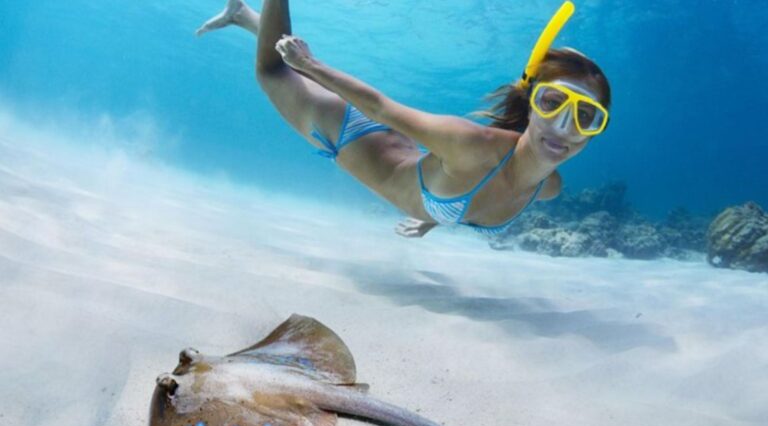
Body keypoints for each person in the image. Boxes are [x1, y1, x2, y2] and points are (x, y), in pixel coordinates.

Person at [197, 0, 611, 238]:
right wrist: (309, 64)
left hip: (398, 148)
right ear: (533, 102)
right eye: (553, 102)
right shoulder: (472, 144)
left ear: (596, 133)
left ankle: (242, 16)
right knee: (273, 72)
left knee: (283, 67)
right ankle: (254, 14)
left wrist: (434, 217)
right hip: (348, 134)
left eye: (586, 116)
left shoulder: (548, 187)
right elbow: (378, 106)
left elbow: (470, 200)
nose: (564, 126)